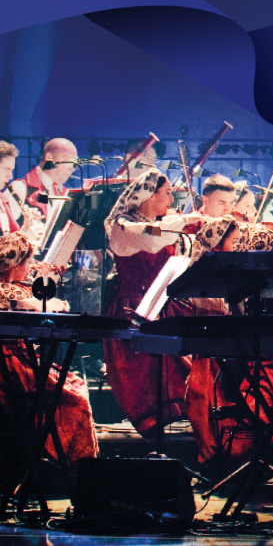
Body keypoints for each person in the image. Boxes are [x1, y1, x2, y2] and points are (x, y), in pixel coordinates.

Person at [0, 232, 100, 465]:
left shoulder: (8, 287)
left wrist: (43, 277)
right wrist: (46, 284)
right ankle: (71, 464)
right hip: (2, 364)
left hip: (14, 357)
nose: (30, 268)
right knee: (74, 397)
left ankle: (62, 462)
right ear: (15, 264)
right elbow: (43, 305)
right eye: (28, 262)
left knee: (75, 384)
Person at [101, 169, 191, 440]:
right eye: (166, 193)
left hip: (162, 304)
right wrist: (184, 222)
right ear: (149, 195)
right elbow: (152, 237)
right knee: (145, 378)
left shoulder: (157, 223)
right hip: (135, 309)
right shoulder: (124, 225)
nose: (170, 199)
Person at [20, 138, 79, 215]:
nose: (72, 168)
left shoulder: (62, 192)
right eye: (68, 160)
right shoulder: (21, 188)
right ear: (49, 158)